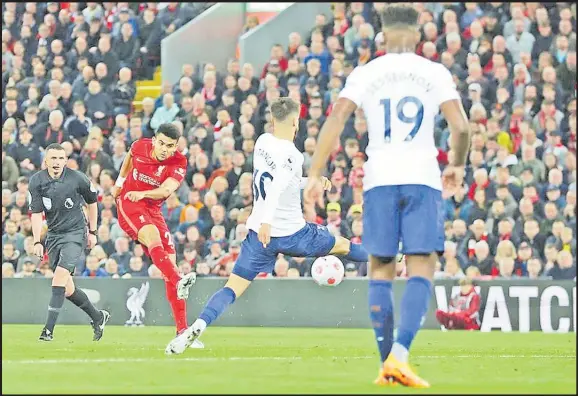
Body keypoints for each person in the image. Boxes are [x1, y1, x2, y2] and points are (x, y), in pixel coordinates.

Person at [303, 5, 471, 388]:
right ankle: (400, 355)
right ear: (416, 34)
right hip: (421, 178)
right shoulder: (434, 72)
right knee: (421, 266)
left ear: (382, 34)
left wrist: (315, 173)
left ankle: (387, 364)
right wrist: (457, 166)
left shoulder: (367, 73)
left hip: (379, 179)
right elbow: (460, 127)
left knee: (380, 268)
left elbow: (336, 118)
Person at [164, 97, 369, 355]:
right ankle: (391, 257)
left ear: (273, 120)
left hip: (258, 237)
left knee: (232, 287)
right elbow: (276, 188)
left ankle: (197, 326)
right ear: (295, 121)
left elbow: (279, 180)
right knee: (342, 245)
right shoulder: (292, 154)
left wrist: (311, 182)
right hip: (292, 233)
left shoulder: (262, 142)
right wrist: (267, 221)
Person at [112, 123, 196, 340]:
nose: (164, 149)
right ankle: (179, 280)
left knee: (170, 262)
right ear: (154, 140)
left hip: (152, 208)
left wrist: (145, 194)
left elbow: (167, 190)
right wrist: (120, 182)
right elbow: (130, 156)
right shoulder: (140, 146)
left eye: (170, 146)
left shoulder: (178, 162)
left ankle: (182, 332)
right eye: (161, 143)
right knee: (152, 237)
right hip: (129, 203)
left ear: (176, 146)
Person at [29, 143, 110, 341]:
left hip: (75, 233)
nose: (56, 162)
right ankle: (98, 317)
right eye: (53, 158)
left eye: (60, 158)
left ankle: (47, 331)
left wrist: (92, 231)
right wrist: (37, 240)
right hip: (54, 236)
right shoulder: (36, 181)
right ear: (45, 161)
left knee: (59, 278)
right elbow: (37, 214)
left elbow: (92, 203)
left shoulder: (77, 178)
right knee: (68, 289)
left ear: (65, 160)